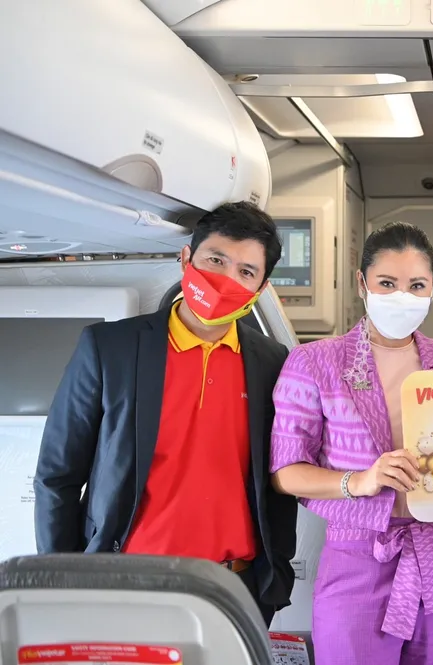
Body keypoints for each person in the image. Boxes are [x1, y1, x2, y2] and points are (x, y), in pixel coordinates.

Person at [34, 201, 299, 625]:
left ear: (261, 288)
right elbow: (57, 475)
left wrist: (275, 575)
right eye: (215, 260)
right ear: (185, 259)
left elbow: (278, 478)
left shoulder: (273, 363)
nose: (225, 279)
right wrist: (62, 583)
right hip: (127, 585)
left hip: (235, 589)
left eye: (246, 272)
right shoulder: (110, 349)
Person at [269, 222, 433, 665]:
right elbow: (286, 472)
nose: (402, 296)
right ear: (362, 284)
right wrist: (359, 480)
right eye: (387, 283)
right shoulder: (315, 363)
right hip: (357, 554)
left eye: (416, 285)